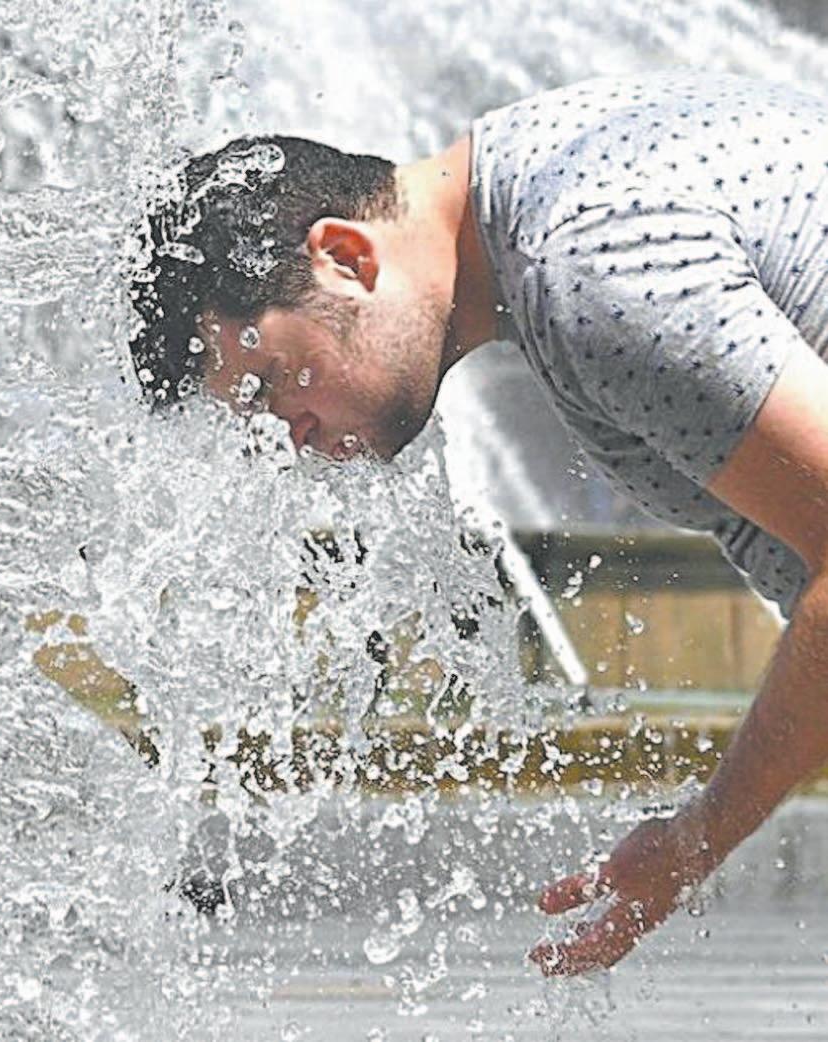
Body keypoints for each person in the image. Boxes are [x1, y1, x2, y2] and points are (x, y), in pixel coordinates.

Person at [128, 69, 828, 976]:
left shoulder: (588, 272)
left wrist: (703, 833)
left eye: (270, 386)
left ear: (345, 256)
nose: (289, 438)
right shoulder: (551, 165)